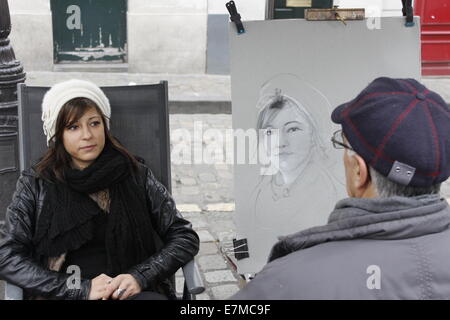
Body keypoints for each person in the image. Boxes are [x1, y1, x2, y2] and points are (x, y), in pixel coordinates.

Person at [232, 77, 450, 299]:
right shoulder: (261, 194)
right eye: (270, 132)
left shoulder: (289, 281)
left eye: (342, 144)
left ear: (358, 171)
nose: (280, 142)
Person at [0, 79, 199, 300]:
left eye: (94, 123)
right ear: (58, 135)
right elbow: (7, 255)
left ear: (105, 126)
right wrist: (81, 289)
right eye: (73, 127)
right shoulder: (36, 183)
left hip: (127, 293)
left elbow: (184, 236)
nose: (87, 135)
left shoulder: (135, 174)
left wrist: (140, 276)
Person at [244, 74, 344, 271]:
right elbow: (247, 238)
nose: (280, 142)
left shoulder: (330, 197)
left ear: (314, 135)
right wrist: (243, 258)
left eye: (293, 129)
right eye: (270, 131)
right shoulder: (260, 190)